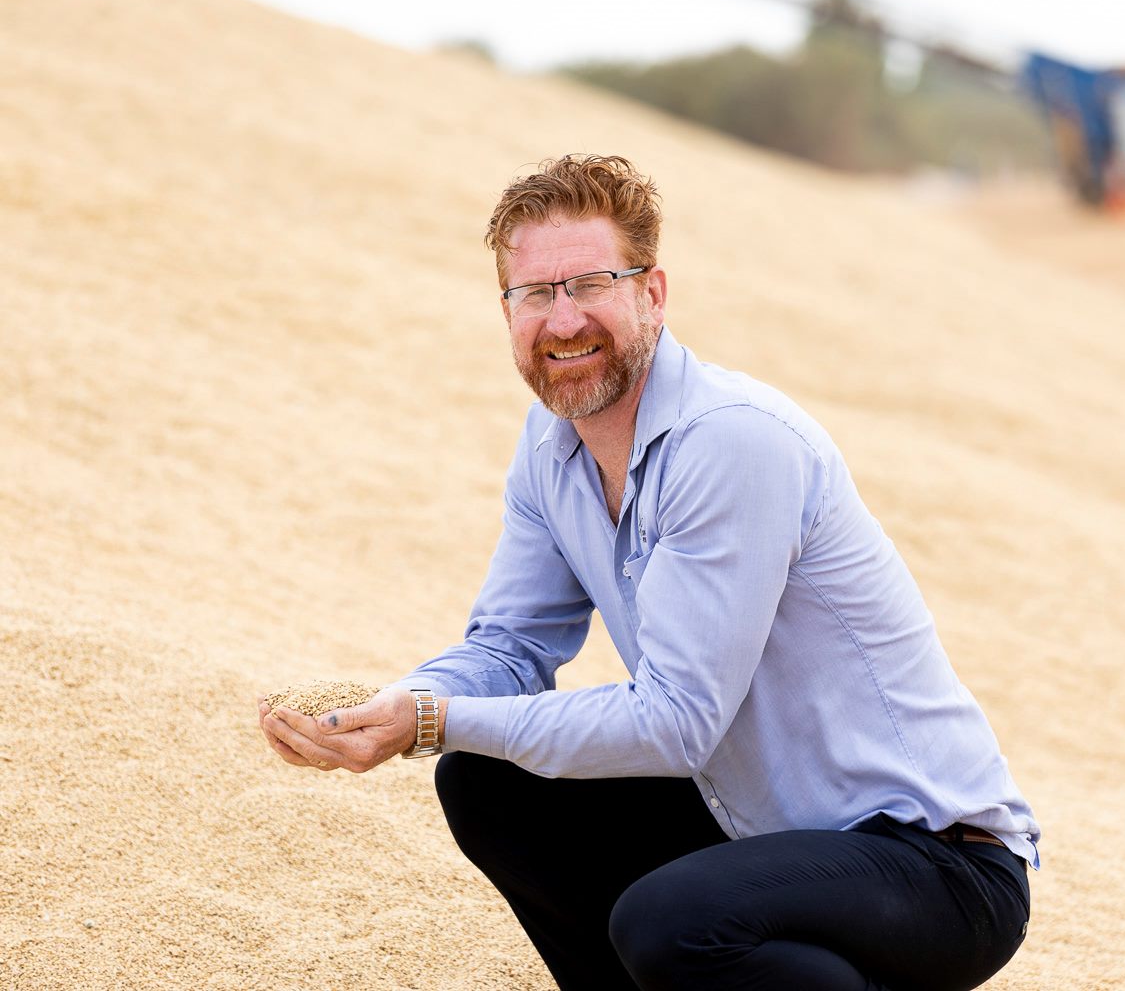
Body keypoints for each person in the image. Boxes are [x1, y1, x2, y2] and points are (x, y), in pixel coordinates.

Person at [259, 154, 1041, 991]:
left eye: (589, 283)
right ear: (507, 311)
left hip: (934, 863)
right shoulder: (550, 448)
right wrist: (395, 706)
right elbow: (510, 648)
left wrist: (431, 719)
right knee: (485, 783)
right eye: (535, 294)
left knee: (669, 920)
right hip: (754, 830)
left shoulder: (733, 442)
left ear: (652, 294)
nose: (562, 322)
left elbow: (677, 723)